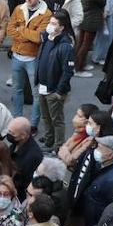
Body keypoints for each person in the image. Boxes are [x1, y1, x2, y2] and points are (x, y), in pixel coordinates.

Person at [7, 0, 51, 127]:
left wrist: (21, 30)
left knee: (36, 94)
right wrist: (27, 34)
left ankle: (33, 124)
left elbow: (39, 37)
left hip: (33, 58)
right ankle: (17, 119)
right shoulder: (19, 9)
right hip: (17, 55)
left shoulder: (46, 14)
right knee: (17, 90)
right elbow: (10, 30)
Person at [36, 10, 76, 149]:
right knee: (46, 118)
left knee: (56, 120)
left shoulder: (65, 46)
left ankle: (58, 145)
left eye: (54, 24)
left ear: (62, 27)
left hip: (54, 90)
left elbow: (67, 71)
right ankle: (49, 140)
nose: (50, 26)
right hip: (43, 86)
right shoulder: (47, 39)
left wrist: (59, 91)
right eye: (50, 23)